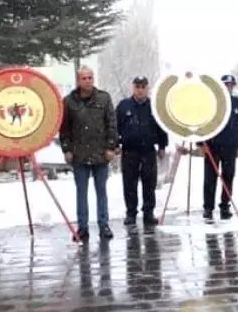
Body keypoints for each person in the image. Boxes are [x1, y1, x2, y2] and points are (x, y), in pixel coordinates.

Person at [60, 67, 118, 242]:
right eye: (84, 78)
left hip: (100, 152)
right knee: (81, 192)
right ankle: (82, 228)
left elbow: (112, 124)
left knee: (101, 191)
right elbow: (64, 129)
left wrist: (110, 147)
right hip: (79, 154)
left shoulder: (104, 98)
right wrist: (67, 149)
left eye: (90, 77)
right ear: (78, 81)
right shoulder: (69, 101)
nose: (88, 80)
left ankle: (104, 225)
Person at [116, 76, 169, 228]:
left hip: (148, 151)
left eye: (143, 87)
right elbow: (115, 126)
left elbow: (161, 127)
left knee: (149, 183)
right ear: (133, 88)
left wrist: (162, 146)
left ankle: (148, 212)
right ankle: (131, 213)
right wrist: (115, 144)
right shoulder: (124, 106)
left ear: (147, 88)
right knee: (129, 184)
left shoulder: (154, 106)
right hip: (129, 151)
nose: (140, 90)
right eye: (137, 87)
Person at [202, 73, 238, 219]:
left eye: (230, 85)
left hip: (230, 146)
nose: (228, 87)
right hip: (212, 146)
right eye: (225, 85)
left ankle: (225, 206)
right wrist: (201, 143)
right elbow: (202, 124)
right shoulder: (211, 103)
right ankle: (208, 208)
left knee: (228, 176)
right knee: (210, 178)